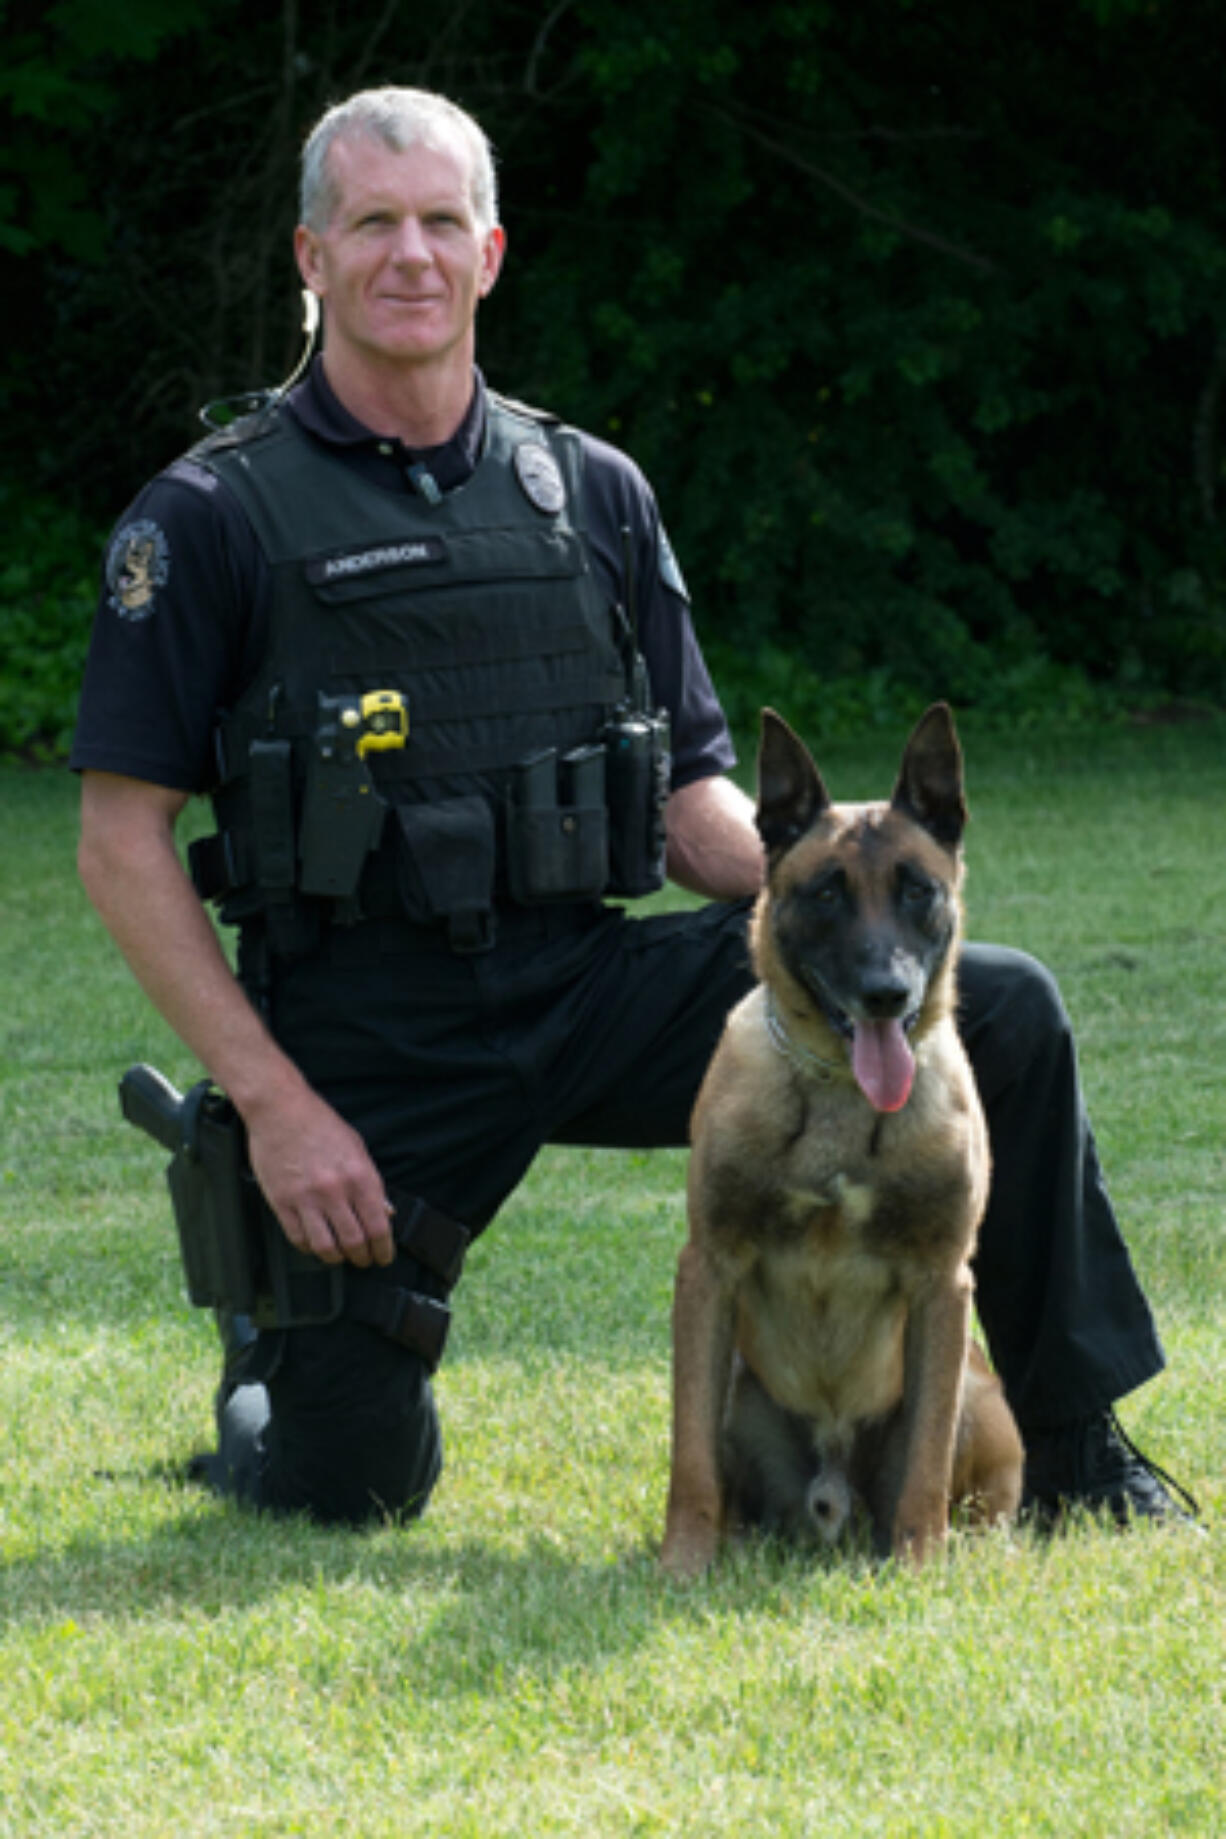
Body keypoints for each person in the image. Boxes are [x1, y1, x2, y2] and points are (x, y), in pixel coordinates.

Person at [72, 85, 1192, 1531]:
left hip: (585, 982)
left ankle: (1078, 1452)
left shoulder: (585, 489)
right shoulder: (210, 516)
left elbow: (688, 800)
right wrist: (280, 1111)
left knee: (1012, 1007)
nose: (407, 254)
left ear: (488, 254)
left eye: (440, 223)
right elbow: (118, 841)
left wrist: (840, 909)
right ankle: (264, 1383)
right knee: (340, 1492)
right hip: (368, 1037)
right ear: (309, 255)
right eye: (370, 224)